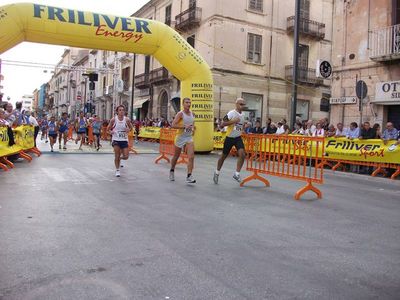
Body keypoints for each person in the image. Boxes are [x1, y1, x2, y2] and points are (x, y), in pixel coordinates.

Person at [213, 98, 246, 184]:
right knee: (223, 156)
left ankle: (237, 174)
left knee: (242, 154)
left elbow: (241, 125)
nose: (242, 106)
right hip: (230, 137)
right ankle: (217, 172)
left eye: (243, 104)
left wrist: (243, 128)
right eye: (240, 104)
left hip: (238, 137)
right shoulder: (231, 113)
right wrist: (233, 121)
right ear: (236, 104)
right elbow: (223, 123)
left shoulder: (243, 114)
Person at [169, 97, 196, 184]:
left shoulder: (193, 114)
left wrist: (193, 128)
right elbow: (173, 125)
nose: (189, 104)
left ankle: (189, 176)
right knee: (176, 156)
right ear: (183, 104)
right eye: (187, 102)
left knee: (191, 157)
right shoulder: (180, 114)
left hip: (188, 137)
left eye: (189, 102)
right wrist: (184, 126)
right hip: (180, 137)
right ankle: (172, 170)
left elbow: (192, 124)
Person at [107, 105, 133, 177]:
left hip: (124, 139)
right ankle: (117, 170)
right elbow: (107, 129)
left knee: (126, 156)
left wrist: (129, 130)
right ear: (117, 112)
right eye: (120, 110)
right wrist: (110, 132)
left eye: (123, 110)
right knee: (116, 155)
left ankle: (119, 158)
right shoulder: (113, 120)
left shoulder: (127, 120)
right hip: (116, 139)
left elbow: (131, 127)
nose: (122, 111)